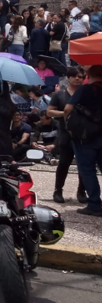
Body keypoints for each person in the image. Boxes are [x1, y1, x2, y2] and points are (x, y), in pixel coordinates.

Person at [63, 65, 102, 216]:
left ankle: (94, 204)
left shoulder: (85, 89)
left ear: (89, 76)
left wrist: (69, 126)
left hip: (85, 137)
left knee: (87, 170)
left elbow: (67, 109)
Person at [47, 67, 87, 203]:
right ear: (68, 78)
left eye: (80, 77)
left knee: (84, 164)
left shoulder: (86, 94)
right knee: (64, 163)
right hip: (65, 133)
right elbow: (49, 112)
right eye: (75, 76)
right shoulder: (60, 95)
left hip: (83, 133)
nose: (77, 79)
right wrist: (65, 113)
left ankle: (82, 191)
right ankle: (58, 190)